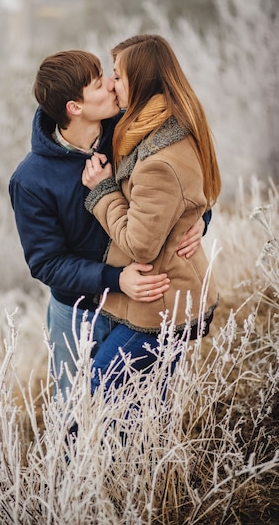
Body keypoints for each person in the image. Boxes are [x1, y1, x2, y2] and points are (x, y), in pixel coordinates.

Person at [9, 49, 211, 398]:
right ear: (75, 107)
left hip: (145, 303)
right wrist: (115, 280)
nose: (112, 86)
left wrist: (201, 221)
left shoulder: (128, 132)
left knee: (147, 407)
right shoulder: (31, 180)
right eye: (99, 83)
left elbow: (184, 181)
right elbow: (46, 263)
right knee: (75, 413)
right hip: (77, 314)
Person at [82, 34, 222, 395]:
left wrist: (102, 190)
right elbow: (194, 195)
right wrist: (198, 218)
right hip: (163, 296)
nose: (112, 84)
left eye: (118, 75)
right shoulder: (164, 125)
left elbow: (140, 245)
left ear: (142, 83)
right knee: (147, 405)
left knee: (100, 387)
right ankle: (144, 452)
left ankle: (84, 454)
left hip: (161, 304)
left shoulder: (159, 159)